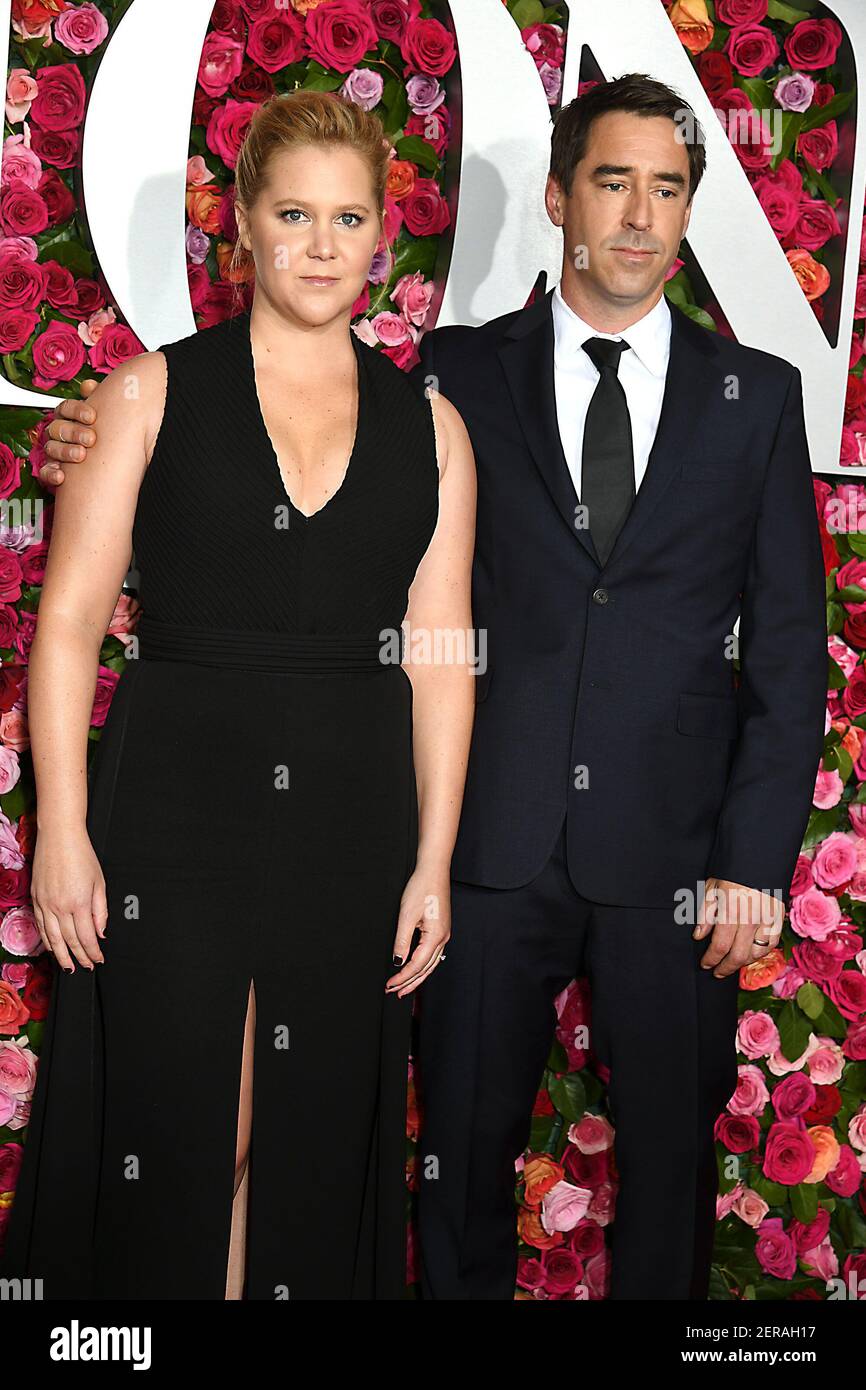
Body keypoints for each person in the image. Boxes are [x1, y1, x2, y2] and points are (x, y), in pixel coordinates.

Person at [35, 74, 829, 1301]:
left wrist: (747, 858)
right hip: (374, 835)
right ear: (559, 200)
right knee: (350, 1159)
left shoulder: (743, 398)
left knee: (635, 1169)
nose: (634, 212)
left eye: (662, 186)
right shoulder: (458, 373)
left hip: (603, 850)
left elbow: (769, 648)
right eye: (609, 182)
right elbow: (143, 569)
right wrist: (79, 435)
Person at [1, 90, 476, 1301]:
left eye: (350, 217)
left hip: (351, 826)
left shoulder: (433, 429)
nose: (322, 244)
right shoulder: (148, 393)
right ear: (246, 232)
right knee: (172, 1131)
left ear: (382, 239)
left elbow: (438, 653)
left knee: (302, 1135)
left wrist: (430, 859)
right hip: (174, 812)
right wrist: (62, 830)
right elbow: (64, 631)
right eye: (294, 214)